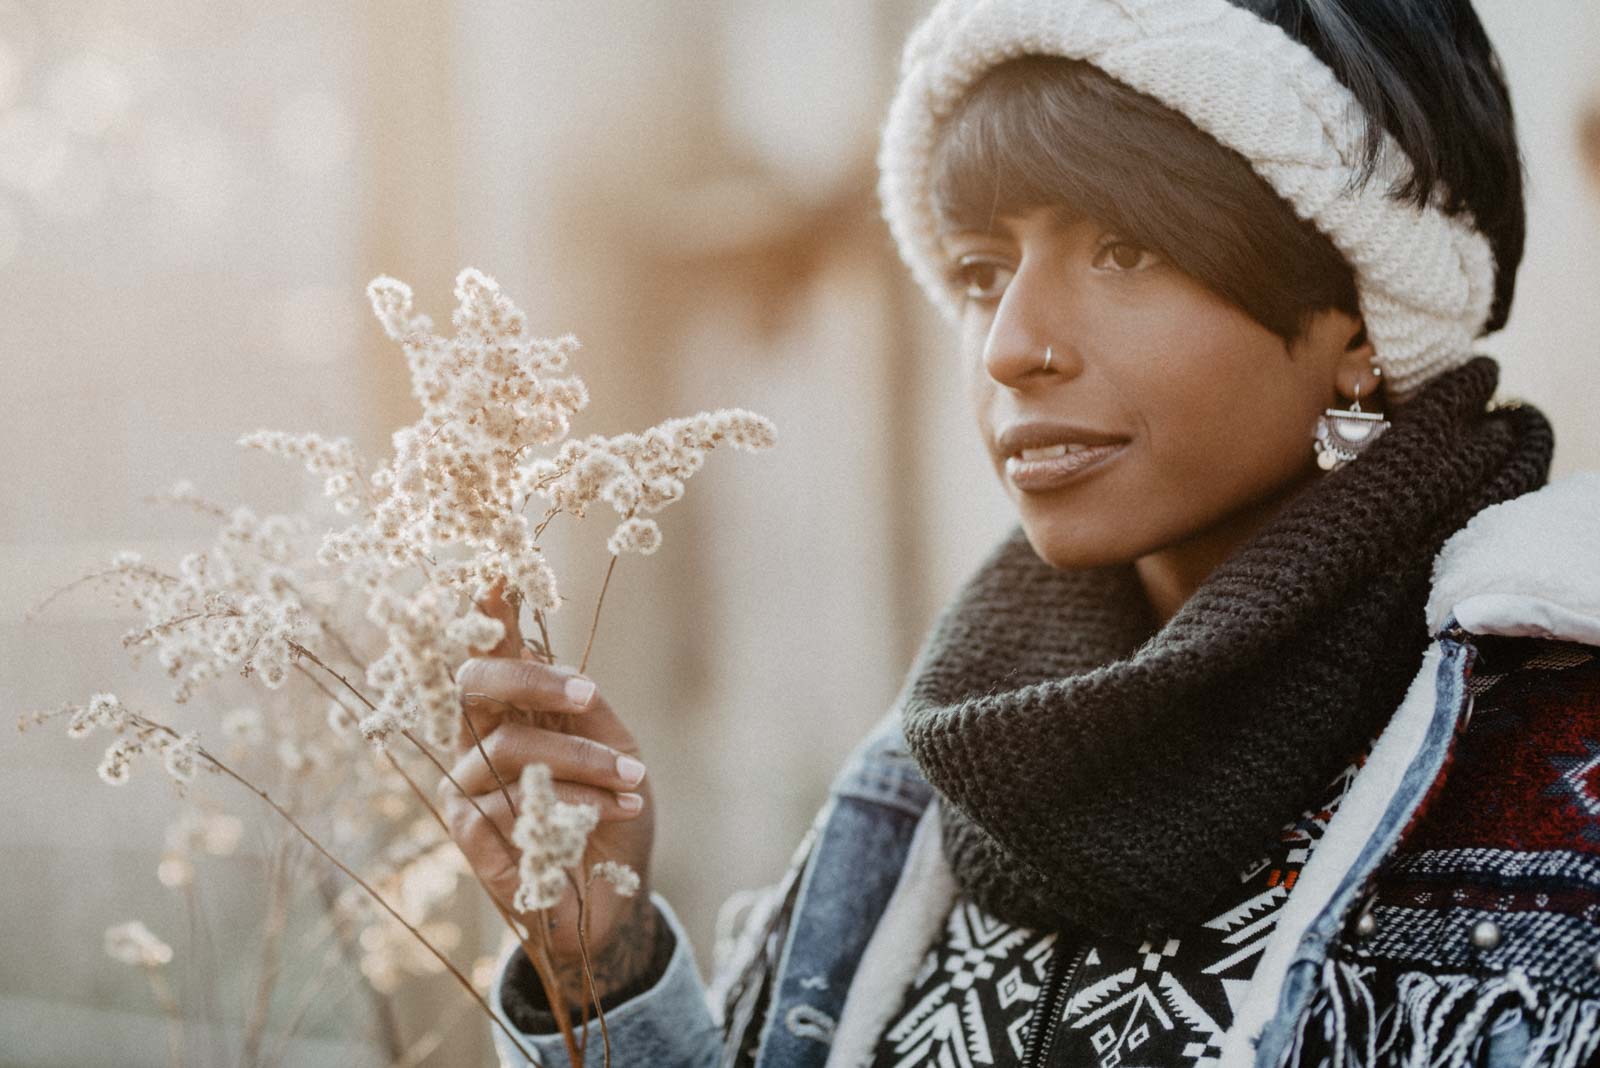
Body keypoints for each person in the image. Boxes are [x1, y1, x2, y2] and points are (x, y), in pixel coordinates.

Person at [443, 0, 1600, 1065]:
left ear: (1357, 316)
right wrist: (600, 967)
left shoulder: (1548, 739)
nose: (1009, 345)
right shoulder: (949, 749)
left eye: (1123, 251)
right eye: (981, 270)